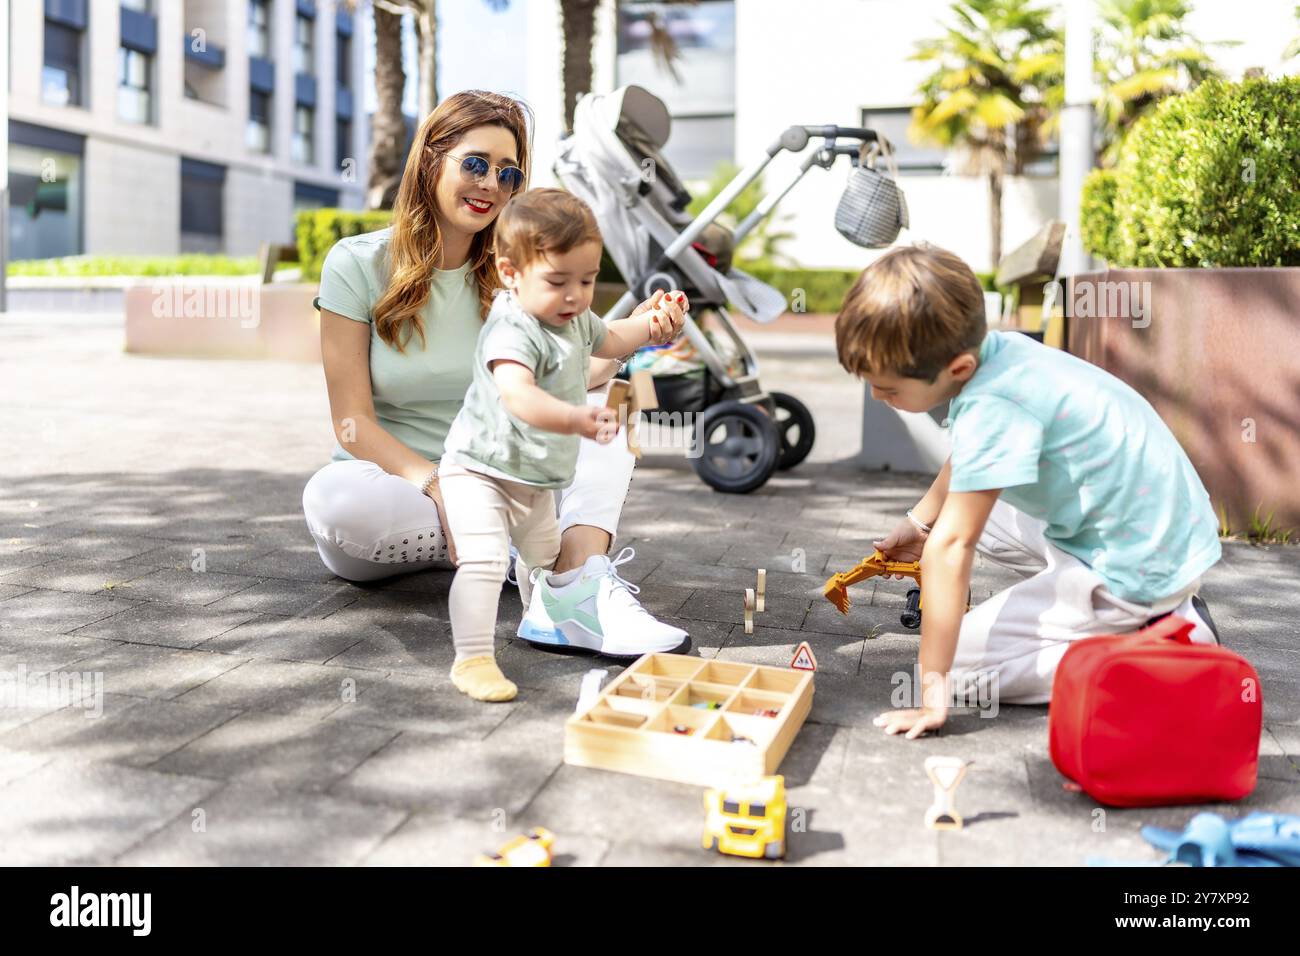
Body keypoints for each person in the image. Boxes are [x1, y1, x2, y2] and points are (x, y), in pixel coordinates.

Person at [301, 90, 688, 659]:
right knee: (334, 500)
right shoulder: (357, 264)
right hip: (402, 500)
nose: (491, 185)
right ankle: (522, 556)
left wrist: (642, 330)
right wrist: (440, 487)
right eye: (475, 164)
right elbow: (352, 424)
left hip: (498, 485)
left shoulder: (516, 276)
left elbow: (577, 372)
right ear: (432, 159)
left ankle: (572, 589)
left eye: (508, 174)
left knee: (610, 403)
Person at [833, 244, 1222, 738]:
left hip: (1138, 567)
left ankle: (1165, 645)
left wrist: (932, 695)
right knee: (965, 515)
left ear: (957, 370)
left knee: (967, 668)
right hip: (1156, 525)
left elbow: (954, 549)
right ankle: (1127, 611)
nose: (877, 398)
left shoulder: (993, 405)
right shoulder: (1001, 353)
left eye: (888, 389)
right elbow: (970, 461)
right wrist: (920, 525)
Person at [439, 188, 690, 701]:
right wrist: (576, 417)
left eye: (588, 280)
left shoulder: (571, 315)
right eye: (558, 281)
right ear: (510, 273)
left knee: (546, 558)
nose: (575, 295)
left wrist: (650, 322)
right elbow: (519, 396)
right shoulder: (512, 327)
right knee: (484, 560)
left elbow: (612, 341)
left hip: (532, 482)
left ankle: (549, 613)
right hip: (479, 474)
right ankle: (473, 659)